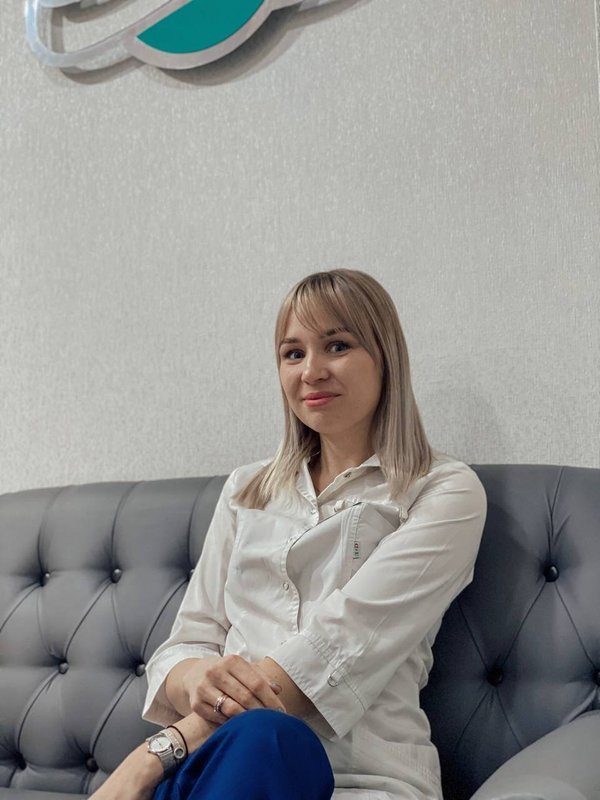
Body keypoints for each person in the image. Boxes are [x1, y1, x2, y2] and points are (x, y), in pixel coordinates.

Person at [89, 269, 487, 800]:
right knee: (255, 739)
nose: (311, 372)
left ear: (386, 356)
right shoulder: (247, 489)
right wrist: (197, 677)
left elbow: (340, 645)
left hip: (357, 779)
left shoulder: (443, 491)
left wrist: (156, 753)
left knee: (272, 737)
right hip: (217, 767)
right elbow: (189, 639)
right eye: (293, 354)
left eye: (337, 346)